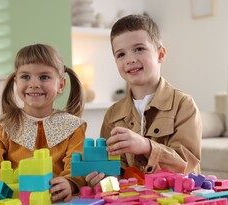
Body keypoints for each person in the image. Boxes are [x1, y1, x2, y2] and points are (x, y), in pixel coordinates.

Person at [0, 43, 87, 205]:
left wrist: (70, 183)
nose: (34, 84)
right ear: (16, 82)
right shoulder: (1, 127)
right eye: (25, 77)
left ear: (61, 85)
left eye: (44, 77)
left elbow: (77, 169)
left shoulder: (72, 127)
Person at [86, 14, 202, 186]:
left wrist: (147, 147)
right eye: (121, 54)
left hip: (176, 199)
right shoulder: (113, 114)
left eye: (139, 49)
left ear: (160, 54)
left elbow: (186, 164)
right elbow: (114, 165)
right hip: (133, 200)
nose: (130, 59)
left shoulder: (183, 104)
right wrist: (107, 178)